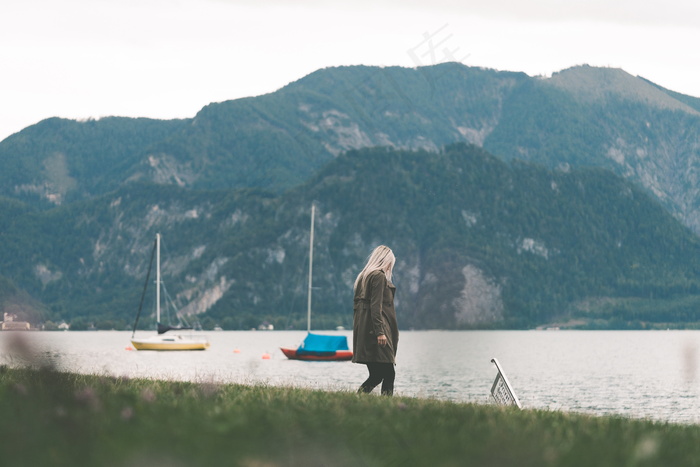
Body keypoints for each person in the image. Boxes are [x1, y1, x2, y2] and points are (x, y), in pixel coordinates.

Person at [352, 245, 398, 396]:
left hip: (365, 329)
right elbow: (375, 306)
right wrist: (380, 332)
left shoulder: (363, 277)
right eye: (390, 262)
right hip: (377, 330)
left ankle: (358, 398)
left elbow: (358, 308)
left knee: (377, 374)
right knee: (389, 372)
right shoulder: (378, 276)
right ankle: (387, 406)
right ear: (385, 260)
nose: (391, 266)